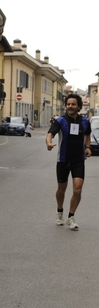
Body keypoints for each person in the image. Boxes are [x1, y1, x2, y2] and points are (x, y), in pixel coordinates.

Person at [45, 93, 91, 230]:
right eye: (68, 104)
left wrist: (87, 147)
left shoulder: (84, 122)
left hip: (78, 160)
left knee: (77, 189)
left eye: (73, 104)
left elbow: (87, 135)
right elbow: (50, 134)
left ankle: (71, 216)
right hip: (63, 160)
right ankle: (59, 211)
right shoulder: (60, 121)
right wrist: (48, 143)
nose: (70, 106)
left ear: (78, 106)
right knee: (61, 189)